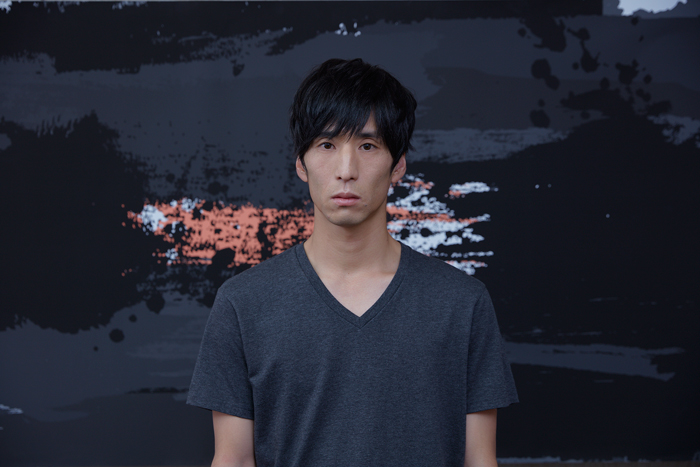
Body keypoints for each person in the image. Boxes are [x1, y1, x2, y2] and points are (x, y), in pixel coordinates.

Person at [187, 58, 518, 467]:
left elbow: (480, 460)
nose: (346, 170)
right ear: (301, 163)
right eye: (327, 145)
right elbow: (233, 460)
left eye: (367, 146)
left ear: (398, 165)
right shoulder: (243, 304)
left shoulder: (462, 303)